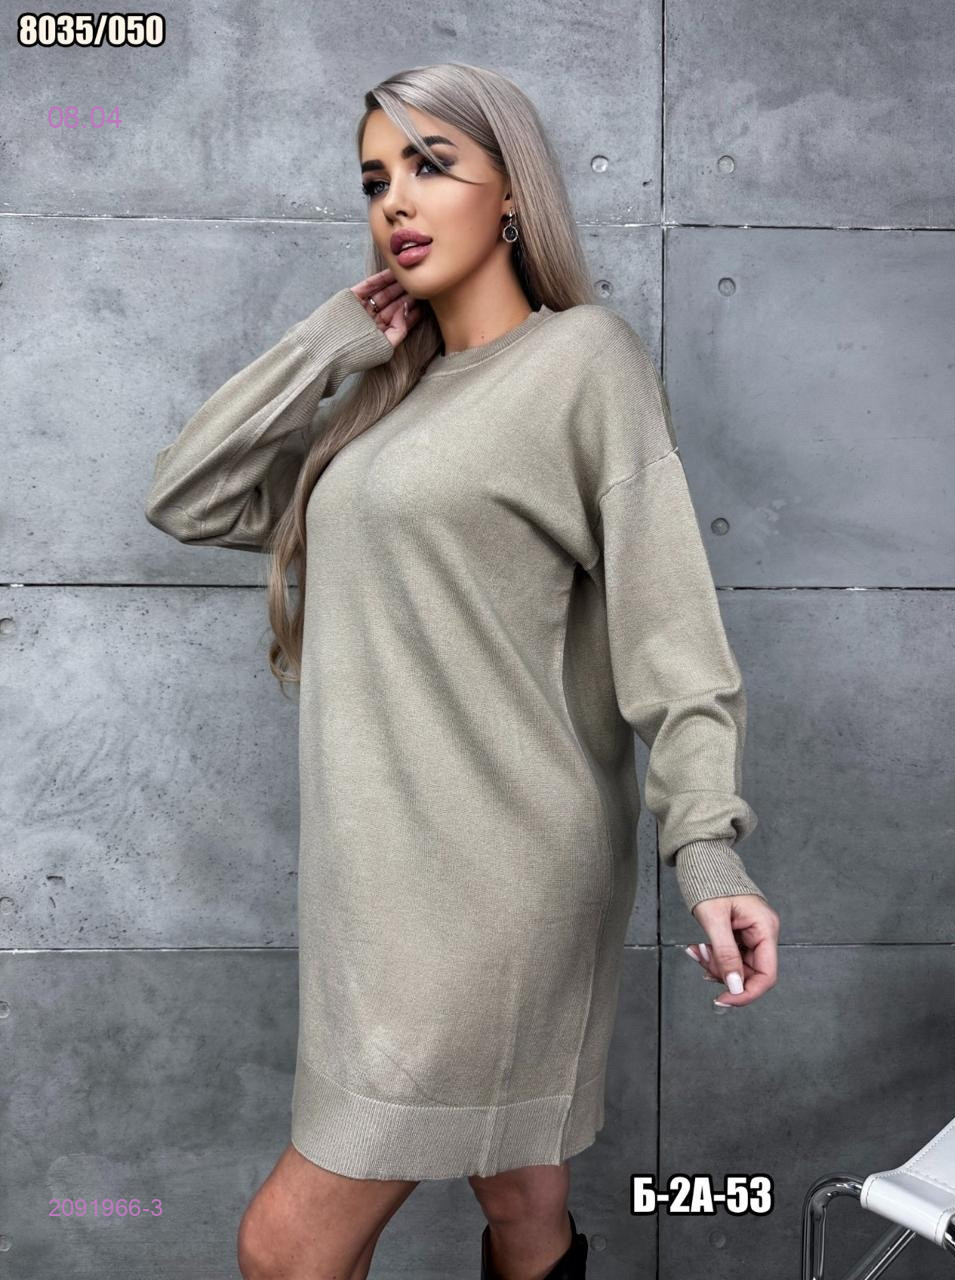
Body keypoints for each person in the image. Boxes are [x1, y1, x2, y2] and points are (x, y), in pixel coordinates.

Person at [144, 62, 780, 1280]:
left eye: (431, 165)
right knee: (520, 1187)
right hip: (371, 887)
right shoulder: (385, 405)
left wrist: (707, 849)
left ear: (513, 194)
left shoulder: (583, 360)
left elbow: (673, 637)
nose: (396, 198)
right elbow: (189, 495)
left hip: (497, 883)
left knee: (285, 1248)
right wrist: (332, 341)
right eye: (375, 178)